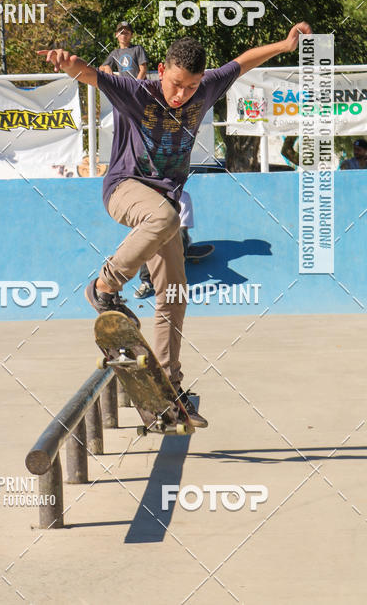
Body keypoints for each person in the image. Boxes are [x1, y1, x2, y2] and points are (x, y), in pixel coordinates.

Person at [38, 21, 311, 427]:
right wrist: (68, 63)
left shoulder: (206, 89)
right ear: (162, 70)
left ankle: (166, 388)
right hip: (124, 189)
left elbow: (243, 62)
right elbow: (91, 75)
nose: (182, 95)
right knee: (166, 215)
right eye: (176, 84)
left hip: (162, 210)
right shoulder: (138, 92)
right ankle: (104, 285)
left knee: (176, 292)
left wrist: (285, 45)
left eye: (191, 87)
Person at [135, 189, 195, 299]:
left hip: (175, 237)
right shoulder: (149, 198)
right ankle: (146, 282)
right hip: (156, 236)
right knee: (146, 239)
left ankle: (177, 280)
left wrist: (180, 251)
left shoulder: (183, 198)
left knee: (181, 236)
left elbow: (183, 229)